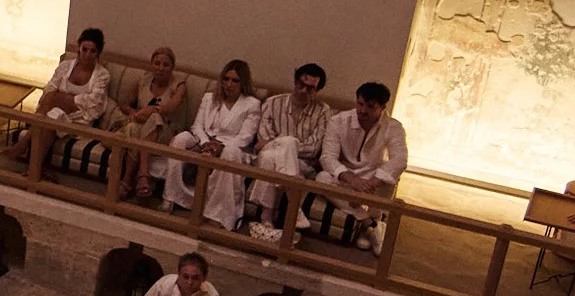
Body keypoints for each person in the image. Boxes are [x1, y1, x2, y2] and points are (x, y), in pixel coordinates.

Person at [161, 61, 261, 229]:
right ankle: (171, 197)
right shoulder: (209, 98)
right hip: (204, 141)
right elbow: (197, 126)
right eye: (226, 79)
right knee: (181, 138)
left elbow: (246, 137)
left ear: (243, 82)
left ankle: (218, 213)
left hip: (232, 147)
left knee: (230, 152)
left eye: (235, 81)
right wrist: (206, 143)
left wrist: (219, 147)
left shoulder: (252, 104)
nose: (229, 84)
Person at [245, 63, 330, 237]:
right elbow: (263, 139)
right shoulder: (273, 103)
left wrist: (282, 143)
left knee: (283, 147)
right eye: (301, 84)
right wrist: (284, 144)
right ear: (294, 81)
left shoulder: (323, 111)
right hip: (272, 158)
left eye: (310, 88)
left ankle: (266, 218)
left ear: (318, 90)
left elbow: (313, 149)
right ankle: (294, 207)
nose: (303, 91)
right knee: (273, 153)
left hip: (302, 164)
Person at [318, 82, 407, 241]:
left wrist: (370, 184)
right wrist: (353, 181)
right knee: (322, 178)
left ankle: (374, 219)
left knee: (390, 180)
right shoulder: (338, 121)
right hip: (347, 177)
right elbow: (327, 157)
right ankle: (369, 223)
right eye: (360, 104)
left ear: (382, 107)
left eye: (370, 106)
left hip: (372, 179)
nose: (363, 110)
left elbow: (400, 159)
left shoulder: (393, 126)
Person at [10, 28, 110, 161]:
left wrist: (64, 98)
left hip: (79, 118)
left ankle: (23, 144)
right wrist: (62, 99)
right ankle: (34, 168)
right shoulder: (65, 66)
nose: (87, 54)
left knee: (52, 104)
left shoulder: (102, 75)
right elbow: (49, 88)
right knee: (53, 116)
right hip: (54, 111)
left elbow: (93, 104)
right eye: (84, 49)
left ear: (98, 53)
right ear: (79, 47)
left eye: (92, 51)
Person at [118, 48, 187, 199]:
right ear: (151, 64)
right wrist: (133, 113)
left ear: (172, 67)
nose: (160, 68)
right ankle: (128, 180)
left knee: (155, 118)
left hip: (168, 133)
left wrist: (153, 109)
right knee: (132, 127)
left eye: (165, 65)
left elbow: (172, 106)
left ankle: (142, 175)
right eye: (157, 63)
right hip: (143, 130)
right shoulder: (144, 81)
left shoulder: (179, 84)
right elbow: (125, 103)